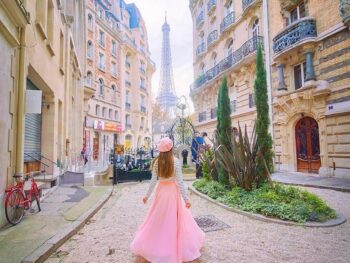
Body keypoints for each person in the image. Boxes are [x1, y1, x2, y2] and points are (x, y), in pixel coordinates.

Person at [130, 137, 205, 263]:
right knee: (172, 219)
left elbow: (153, 181)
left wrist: (147, 196)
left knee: (157, 218)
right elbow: (180, 182)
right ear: (171, 149)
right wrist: (186, 199)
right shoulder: (175, 161)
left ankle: (156, 244)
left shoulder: (156, 162)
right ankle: (171, 246)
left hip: (161, 192)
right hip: (172, 193)